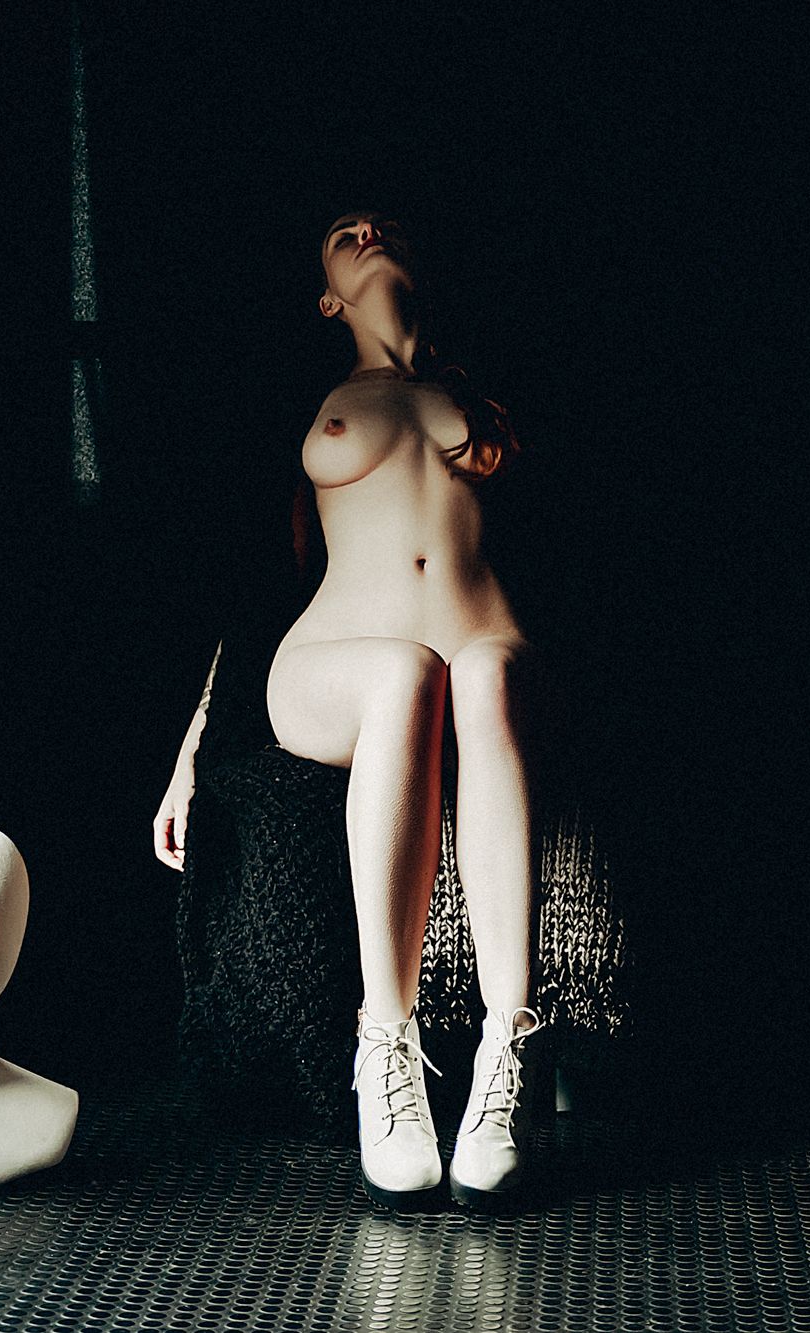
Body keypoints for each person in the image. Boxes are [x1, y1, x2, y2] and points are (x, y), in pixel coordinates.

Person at [151, 211, 544, 1210]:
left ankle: (505, 1053)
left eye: (383, 226)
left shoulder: (477, 393)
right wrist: (192, 751)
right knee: (403, 673)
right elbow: (254, 585)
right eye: (343, 232)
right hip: (331, 665)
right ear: (327, 299)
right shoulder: (315, 401)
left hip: (482, 648)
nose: (366, 230)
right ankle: (386, 1047)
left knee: (478, 675)